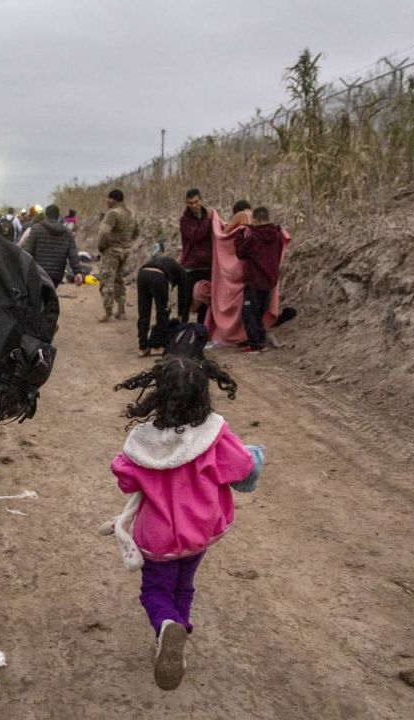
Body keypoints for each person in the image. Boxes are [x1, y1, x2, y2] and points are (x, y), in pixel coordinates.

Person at [110, 356, 263, 690]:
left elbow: (125, 480)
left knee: (155, 589)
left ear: (157, 395)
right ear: (203, 394)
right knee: (184, 584)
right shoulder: (213, 434)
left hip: (159, 538)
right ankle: (178, 628)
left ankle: (167, 625)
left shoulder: (143, 442)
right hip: (200, 533)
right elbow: (241, 467)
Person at [234, 206, 286, 353]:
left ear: (255, 220)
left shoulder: (254, 237)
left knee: (249, 313)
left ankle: (255, 344)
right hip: (269, 282)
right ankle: (260, 341)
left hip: (255, 281)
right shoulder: (277, 236)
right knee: (259, 313)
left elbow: (240, 253)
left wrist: (239, 235)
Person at [96, 188, 139, 322]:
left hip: (112, 251)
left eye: (108, 199)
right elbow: (136, 232)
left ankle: (108, 312)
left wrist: (101, 246)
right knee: (119, 280)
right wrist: (125, 242)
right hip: (125, 251)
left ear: (113, 199)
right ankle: (121, 311)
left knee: (107, 280)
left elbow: (104, 232)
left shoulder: (112, 213)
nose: (106, 201)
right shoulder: (131, 213)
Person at [135, 251, 187, 357]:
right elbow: (183, 294)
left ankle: (143, 347)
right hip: (158, 276)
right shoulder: (181, 270)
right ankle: (158, 346)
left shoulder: (165, 262)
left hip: (142, 274)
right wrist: (181, 314)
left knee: (143, 311)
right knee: (163, 312)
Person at [19, 203, 84, 287]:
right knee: (51, 293)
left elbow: (27, 251)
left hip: (39, 272)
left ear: (46, 216)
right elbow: (73, 255)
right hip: (57, 274)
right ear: (58, 216)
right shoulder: (67, 232)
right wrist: (77, 272)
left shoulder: (36, 229)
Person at [177, 189, 213, 324]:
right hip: (190, 266)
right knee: (186, 300)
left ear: (201, 200)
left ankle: (201, 332)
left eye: (196, 202)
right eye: (190, 203)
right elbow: (195, 236)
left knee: (204, 299)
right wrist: (208, 220)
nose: (194, 205)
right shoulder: (185, 220)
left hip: (206, 266)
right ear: (187, 203)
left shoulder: (208, 217)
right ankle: (183, 330)